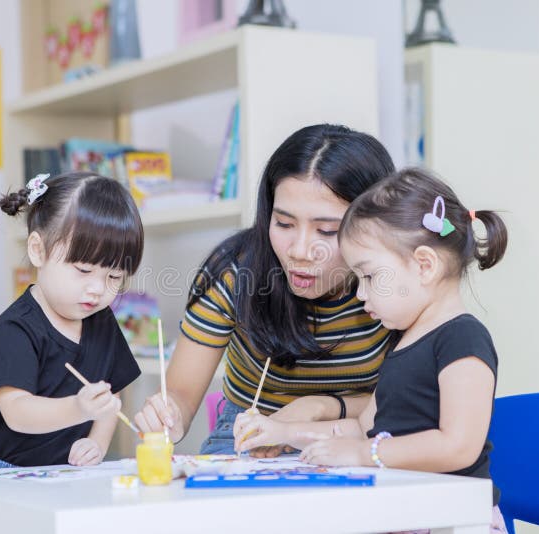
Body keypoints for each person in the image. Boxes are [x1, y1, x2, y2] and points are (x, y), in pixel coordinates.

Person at [233, 167, 508, 533]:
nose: (360, 294)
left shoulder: (463, 340)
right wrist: (282, 432)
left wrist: (366, 455)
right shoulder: (401, 340)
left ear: (424, 265)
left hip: (454, 519)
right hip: (405, 511)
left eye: (370, 276)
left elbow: (458, 446)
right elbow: (361, 427)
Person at [134, 124, 397, 455]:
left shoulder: (396, 283)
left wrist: (317, 408)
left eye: (327, 230)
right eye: (284, 224)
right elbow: (181, 394)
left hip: (358, 435)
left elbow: (403, 399)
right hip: (249, 436)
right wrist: (168, 412)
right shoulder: (236, 271)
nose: (299, 251)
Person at [0, 172, 144, 472]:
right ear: (37, 250)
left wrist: (97, 441)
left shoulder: (101, 321)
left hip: (57, 474)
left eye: (114, 276)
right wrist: (78, 408)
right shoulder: (16, 330)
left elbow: (109, 396)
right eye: (83, 270)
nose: (98, 288)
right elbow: (17, 411)